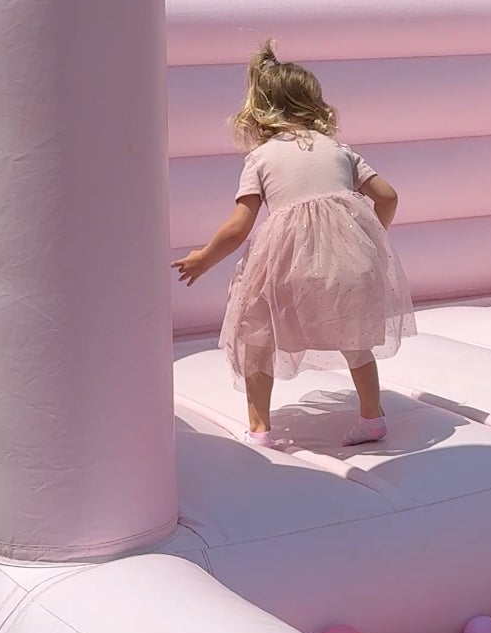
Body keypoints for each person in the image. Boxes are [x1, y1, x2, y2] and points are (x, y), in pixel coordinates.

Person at [174, 44, 414, 446]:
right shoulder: (339, 150)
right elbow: (388, 196)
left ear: (259, 109)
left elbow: (238, 226)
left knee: (257, 334)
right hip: (350, 262)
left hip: (289, 265)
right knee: (355, 338)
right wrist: (370, 238)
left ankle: (260, 430)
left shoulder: (262, 157)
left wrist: (203, 259)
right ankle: (373, 419)